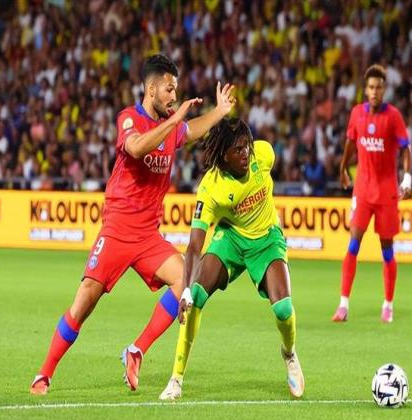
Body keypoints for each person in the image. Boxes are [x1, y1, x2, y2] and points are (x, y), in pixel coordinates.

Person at [30, 54, 236, 394]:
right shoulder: (129, 118)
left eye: (175, 89)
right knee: (84, 303)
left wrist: (219, 112)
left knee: (186, 278)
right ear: (151, 89)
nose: (174, 96)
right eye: (169, 89)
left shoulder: (171, 124)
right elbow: (137, 148)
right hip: (117, 230)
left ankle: (136, 350)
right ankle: (44, 374)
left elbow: (192, 130)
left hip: (147, 236)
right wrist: (174, 121)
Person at [158, 117, 305, 400]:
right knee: (196, 296)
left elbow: (262, 163)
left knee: (284, 310)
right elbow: (194, 245)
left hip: (266, 239)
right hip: (231, 239)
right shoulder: (211, 188)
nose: (246, 153)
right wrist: (185, 290)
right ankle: (176, 379)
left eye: (246, 146)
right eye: (238, 150)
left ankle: (289, 353)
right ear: (224, 155)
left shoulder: (264, 154)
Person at [332, 64, 412, 324]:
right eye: (371, 87)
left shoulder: (393, 117)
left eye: (378, 87)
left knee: (387, 250)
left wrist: (407, 178)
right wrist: (343, 169)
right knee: (353, 243)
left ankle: (388, 304)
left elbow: (406, 149)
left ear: (384, 89)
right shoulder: (357, 113)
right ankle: (343, 305)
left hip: (387, 192)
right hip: (363, 191)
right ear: (365, 90)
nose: (375, 91)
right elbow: (350, 142)